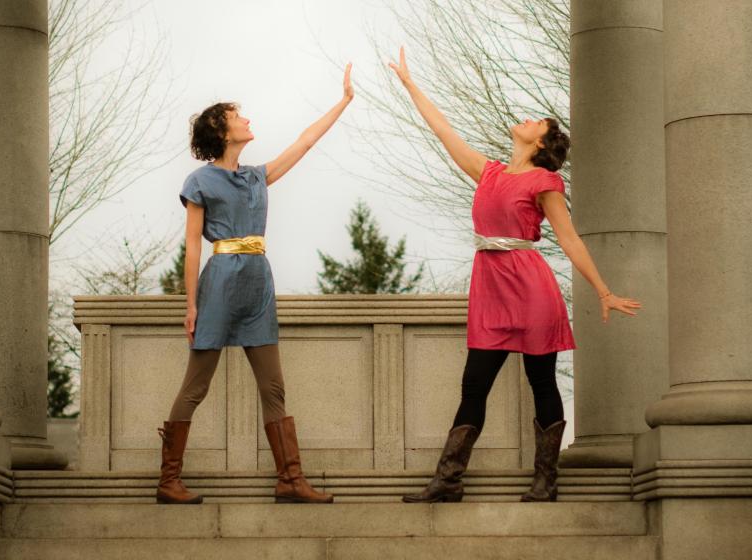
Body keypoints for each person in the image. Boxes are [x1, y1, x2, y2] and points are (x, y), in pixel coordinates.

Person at [386, 48, 642, 503]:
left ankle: (545, 481)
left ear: (540, 144)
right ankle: (448, 480)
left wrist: (604, 291)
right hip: (490, 289)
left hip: (531, 288)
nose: (524, 119)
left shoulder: (545, 183)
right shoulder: (488, 173)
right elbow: (443, 130)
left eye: (534, 122)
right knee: (474, 385)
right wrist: (409, 84)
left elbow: (570, 240)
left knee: (541, 382)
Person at [156, 64, 355, 505]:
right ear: (221, 129)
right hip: (221, 281)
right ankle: (168, 481)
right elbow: (192, 247)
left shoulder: (257, 176)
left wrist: (342, 102)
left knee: (273, 387)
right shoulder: (200, 181)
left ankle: (290, 479)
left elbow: (305, 141)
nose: (246, 119)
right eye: (237, 115)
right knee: (196, 385)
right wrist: (190, 305)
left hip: (258, 282)